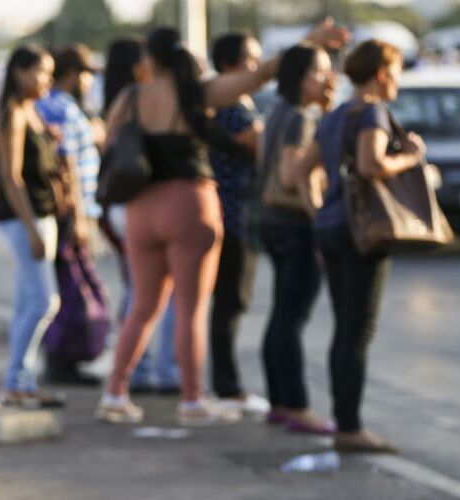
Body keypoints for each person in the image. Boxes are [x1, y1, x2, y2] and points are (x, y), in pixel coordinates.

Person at [96, 22, 349, 426]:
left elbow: (107, 141)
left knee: (142, 306)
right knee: (191, 308)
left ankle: (115, 393)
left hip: (141, 206)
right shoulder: (198, 93)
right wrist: (309, 43)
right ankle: (193, 400)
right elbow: (260, 73)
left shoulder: (130, 97)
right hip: (189, 204)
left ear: (149, 60)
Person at [297, 39, 424, 453]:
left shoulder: (334, 115)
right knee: (357, 331)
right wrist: (411, 157)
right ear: (383, 73)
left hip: (333, 227)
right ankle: (349, 428)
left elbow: (300, 169)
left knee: (344, 328)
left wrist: (318, 212)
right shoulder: (371, 111)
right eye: (397, 72)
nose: (398, 83)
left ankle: (344, 421)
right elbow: (371, 165)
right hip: (362, 231)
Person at [259, 43, 337, 434]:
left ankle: (278, 402)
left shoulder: (277, 112)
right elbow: (293, 177)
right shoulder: (299, 118)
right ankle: (295, 404)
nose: (327, 78)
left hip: (273, 223)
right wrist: (319, 220)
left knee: (281, 314)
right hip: (295, 224)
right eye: (319, 71)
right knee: (292, 316)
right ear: (298, 76)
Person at [100, 36, 179, 395]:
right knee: (159, 290)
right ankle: (162, 369)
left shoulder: (121, 98)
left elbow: (106, 142)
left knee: (137, 286)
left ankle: (138, 368)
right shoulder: (151, 95)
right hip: (152, 201)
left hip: (119, 201)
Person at [0, 45, 65, 408]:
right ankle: (15, 381)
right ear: (20, 72)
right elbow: (10, 176)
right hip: (23, 218)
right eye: (42, 72)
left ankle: (22, 382)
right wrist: (32, 228)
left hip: (43, 214)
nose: (47, 80)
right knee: (43, 301)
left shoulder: (32, 111)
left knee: (28, 302)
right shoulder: (12, 115)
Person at [36, 44, 107, 386]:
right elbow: (68, 167)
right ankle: (60, 360)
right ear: (74, 74)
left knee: (71, 287)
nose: (91, 82)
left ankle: (64, 359)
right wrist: (78, 217)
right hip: (70, 211)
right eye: (88, 74)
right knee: (71, 289)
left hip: (72, 210)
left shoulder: (63, 106)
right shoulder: (60, 108)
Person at [207, 32, 269, 415]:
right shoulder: (231, 108)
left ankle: (224, 384)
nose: (258, 68)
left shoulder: (230, 104)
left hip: (235, 215)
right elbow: (262, 148)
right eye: (252, 60)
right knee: (230, 303)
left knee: (230, 303)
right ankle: (227, 386)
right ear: (230, 64)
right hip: (232, 218)